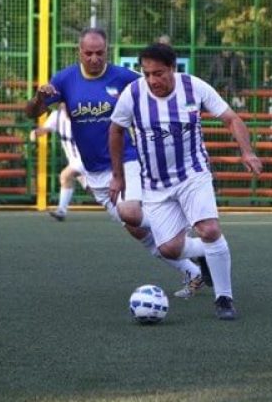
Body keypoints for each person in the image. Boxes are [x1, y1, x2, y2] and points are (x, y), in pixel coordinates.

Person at [25, 29, 205, 299]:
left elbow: (158, 89)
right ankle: (193, 269)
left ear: (106, 51)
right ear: (79, 52)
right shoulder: (65, 79)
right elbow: (32, 113)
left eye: (100, 53)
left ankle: (202, 245)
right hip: (93, 170)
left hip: (127, 159)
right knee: (136, 231)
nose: (95, 58)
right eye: (89, 53)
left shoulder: (122, 77)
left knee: (130, 213)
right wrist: (40, 97)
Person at [109, 43, 263, 320]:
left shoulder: (194, 87)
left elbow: (230, 118)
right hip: (155, 184)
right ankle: (207, 253)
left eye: (159, 73)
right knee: (170, 248)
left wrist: (247, 151)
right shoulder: (133, 94)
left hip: (193, 174)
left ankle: (224, 298)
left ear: (172, 68)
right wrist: (118, 176)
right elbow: (116, 130)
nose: (153, 80)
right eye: (147, 74)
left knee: (209, 228)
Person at [32, 104, 88, 221]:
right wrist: (36, 133)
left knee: (65, 176)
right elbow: (45, 129)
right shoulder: (56, 116)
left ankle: (61, 211)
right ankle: (123, 205)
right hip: (74, 160)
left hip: (87, 157)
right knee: (95, 191)